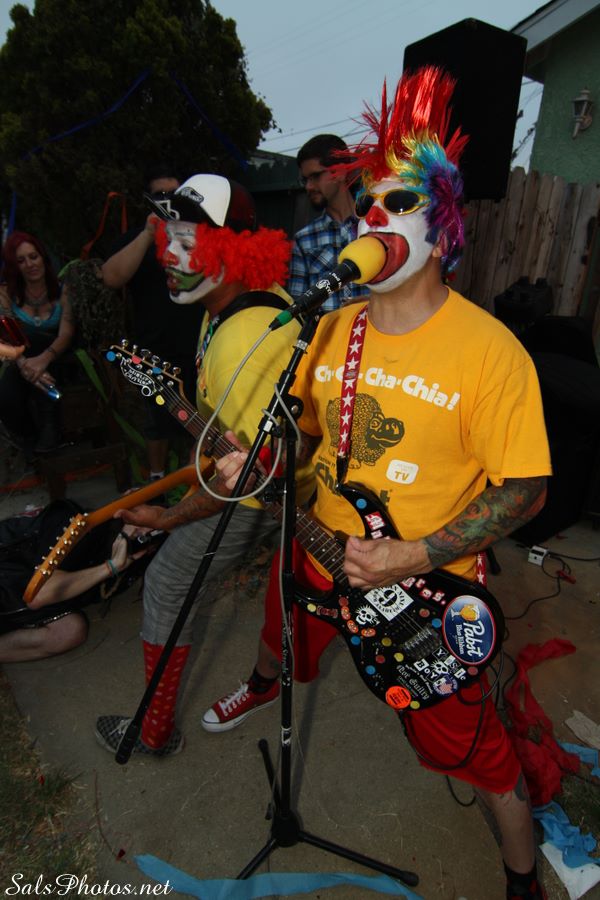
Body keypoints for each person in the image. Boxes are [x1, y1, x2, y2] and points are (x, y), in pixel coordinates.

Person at [207, 68, 551, 900]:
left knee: (475, 755)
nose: (374, 218)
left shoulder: (491, 351)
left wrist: (415, 554)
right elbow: (303, 436)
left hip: (423, 591)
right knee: (281, 626)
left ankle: (520, 881)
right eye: (366, 204)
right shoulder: (330, 330)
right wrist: (259, 461)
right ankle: (263, 683)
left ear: (444, 224)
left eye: (398, 202)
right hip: (318, 550)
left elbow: (526, 490)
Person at [94, 174, 314, 757]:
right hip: (252, 474)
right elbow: (229, 444)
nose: (168, 256)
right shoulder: (234, 303)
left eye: (187, 243)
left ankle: (154, 730)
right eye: (168, 239)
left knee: (167, 581)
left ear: (235, 252)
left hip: (263, 495)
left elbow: (248, 477)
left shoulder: (244, 340)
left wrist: (168, 519)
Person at [102, 165, 204, 481]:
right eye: (161, 194)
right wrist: (149, 234)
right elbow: (111, 277)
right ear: (148, 199)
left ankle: (195, 480)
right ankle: (157, 480)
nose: (168, 200)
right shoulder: (138, 238)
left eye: (175, 194)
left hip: (198, 344)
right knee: (157, 420)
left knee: (200, 417)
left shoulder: (197, 234)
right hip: (155, 347)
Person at [0, 507, 155, 663]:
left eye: (153, 531)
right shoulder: (71, 523)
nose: (143, 532)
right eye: (141, 525)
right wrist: (111, 567)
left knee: (69, 631)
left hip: (21, 601)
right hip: (16, 587)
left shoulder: (134, 551)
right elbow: (38, 595)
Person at [0, 232, 75, 456]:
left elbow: (66, 334)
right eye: (21, 261)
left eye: (33, 257)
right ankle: (30, 439)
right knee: (6, 397)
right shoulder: (5, 294)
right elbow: (6, 335)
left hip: (59, 359)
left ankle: (50, 427)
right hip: (22, 363)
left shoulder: (64, 289)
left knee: (35, 339)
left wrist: (43, 360)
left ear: (43, 257)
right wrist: (25, 365)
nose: (30, 264)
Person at [288, 133, 369, 311]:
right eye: (305, 179)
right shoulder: (303, 240)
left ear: (340, 172)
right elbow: (298, 312)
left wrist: (373, 303)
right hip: (326, 330)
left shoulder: (377, 225)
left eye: (315, 176)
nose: (308, 186)